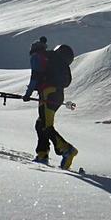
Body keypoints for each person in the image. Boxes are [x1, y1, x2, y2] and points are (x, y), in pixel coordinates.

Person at [24, 39, 77, 169]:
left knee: (46, 126)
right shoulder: (54, 60)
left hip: (48, 94)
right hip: (57, 94)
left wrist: (28, 93)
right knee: (40, 124)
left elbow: (35, 76)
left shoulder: (39, 57)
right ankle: (42, 154)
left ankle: (67, 150)